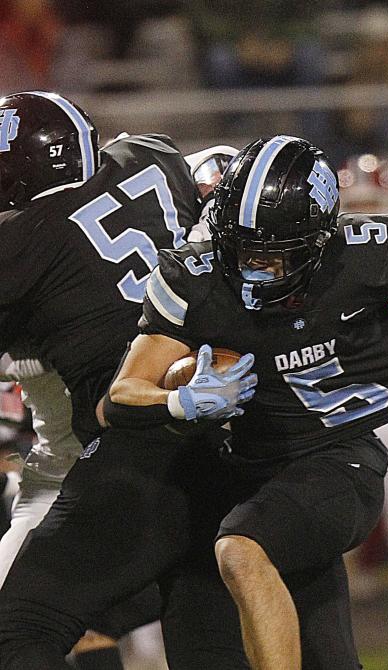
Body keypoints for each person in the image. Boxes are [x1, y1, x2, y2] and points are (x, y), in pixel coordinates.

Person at [0, 133, 388, 670]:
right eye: (239, 244)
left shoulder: (354, 261)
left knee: (241, 559)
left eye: (273, 255)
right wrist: (180, 403)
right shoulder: (194, 275)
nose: (252, 267)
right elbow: (125, 392)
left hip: (329, 457)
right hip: (238, 470)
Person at [0, 89, 213, 670]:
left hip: (92, 459)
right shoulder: (152, 155)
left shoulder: (25, 246)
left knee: (18, 627)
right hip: (209, 428)